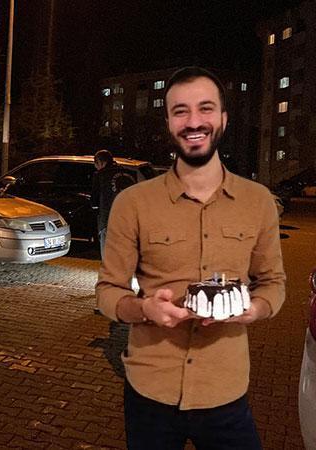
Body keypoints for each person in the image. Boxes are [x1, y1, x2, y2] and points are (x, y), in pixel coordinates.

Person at [96, 66, 286, 449]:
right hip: (150, 392)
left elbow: (274, 284)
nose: (194, 122)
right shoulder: (133, 203)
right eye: (180, 111)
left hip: (226, 393)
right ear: (168, 122)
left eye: (205, 108)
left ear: (224, 119)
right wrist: (145, 309)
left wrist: (253, 310)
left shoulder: (258, 202)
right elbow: (107, 292)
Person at [91, 149, 135, 256]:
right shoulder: (130, 173)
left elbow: (94, 202)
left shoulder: (100, 175)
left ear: (101, 162)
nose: (96, 167)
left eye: (96, 164)